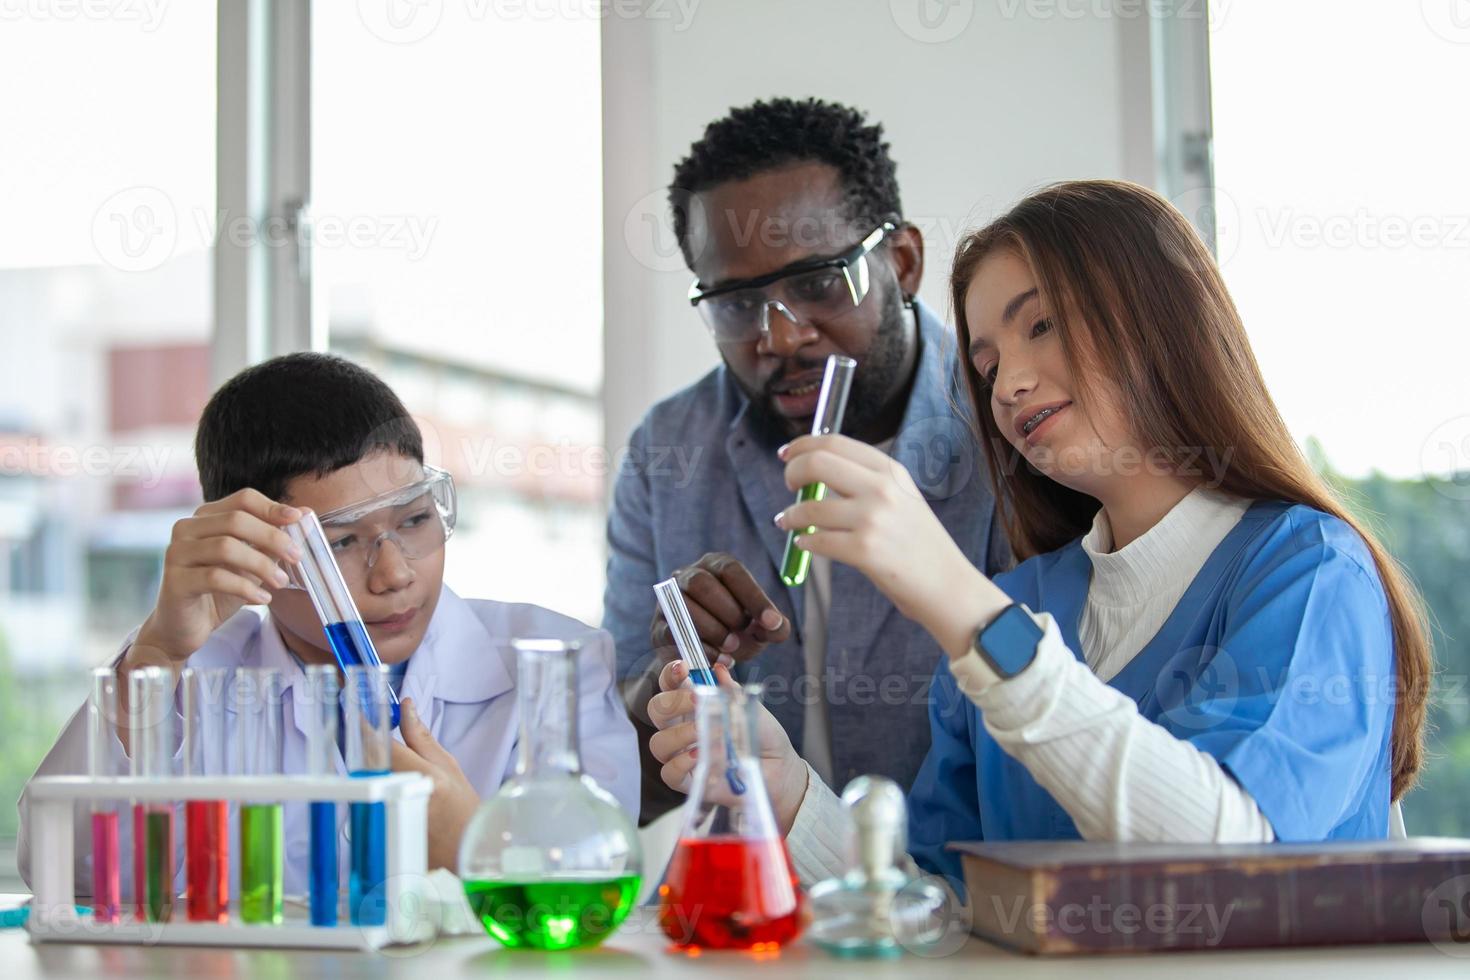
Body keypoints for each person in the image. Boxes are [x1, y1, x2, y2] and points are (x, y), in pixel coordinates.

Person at [647, 179, 1432, 886]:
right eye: (986, 366)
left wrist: (962, 606)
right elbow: (933, 902)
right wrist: (786, 789)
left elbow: (1228, 857)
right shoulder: (1021, 600)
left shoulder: (1308, 572)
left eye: (1043, 326)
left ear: (1164, 314)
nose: (1011, 382)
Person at [19, 352, 638, 896]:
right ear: (255, 551)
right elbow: (61, 872)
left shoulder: (554, 663)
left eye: (416, 519)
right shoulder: (192, 676)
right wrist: (155, 655)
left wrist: (470, 843)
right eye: (340, 542)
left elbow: (598, 898)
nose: (394, 573)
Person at [604, 97, 1008, 823]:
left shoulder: (1009, 430)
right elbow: (621, 782)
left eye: (820, 284)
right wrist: (668, 685)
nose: (781, 338)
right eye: (735, 304)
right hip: (744, 918)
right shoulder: (668, 455)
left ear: (905, 263)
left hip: (968, 915)